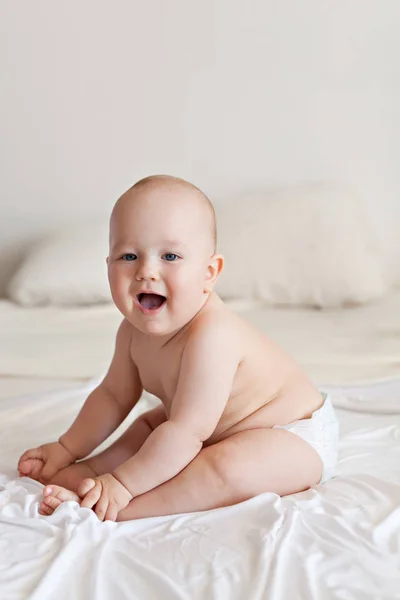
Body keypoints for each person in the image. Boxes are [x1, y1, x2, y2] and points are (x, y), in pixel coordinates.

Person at [17, 174, 339, 522]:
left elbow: (188, 432)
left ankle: (121, 507)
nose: (146, 271)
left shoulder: (212, 335)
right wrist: (67, 448)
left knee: (223, 468)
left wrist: (124, 484)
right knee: (148, 428)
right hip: (201, 426)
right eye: (127, 256)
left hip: (290, 435)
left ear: (209, 272)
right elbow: (113, 396)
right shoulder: (130, 332)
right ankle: (87, 475)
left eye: (170, 255)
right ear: (107, 266)